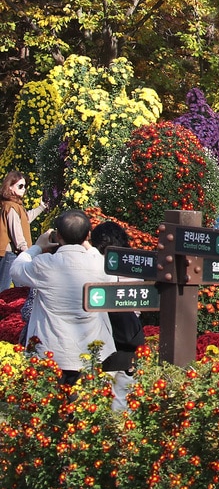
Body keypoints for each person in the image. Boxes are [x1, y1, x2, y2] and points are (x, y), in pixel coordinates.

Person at [9, 210, 114, 383]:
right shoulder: (98, 264)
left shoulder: (45, 264)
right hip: (91, 355)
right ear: (88, 235)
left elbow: (16, 270)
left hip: (51, 354)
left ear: (58, 236)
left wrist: (37, 246)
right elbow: (107, 270)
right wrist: (86, 244)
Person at [89, 221, 144, 411]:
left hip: (103, 339)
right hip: (129, 338)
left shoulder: (95, 266)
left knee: (97, 400)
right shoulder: (134, 266)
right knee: (122, 401)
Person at [0, 171, 46, 293]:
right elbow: (16, 231)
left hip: (14, 253)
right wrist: (26, 250)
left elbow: (25, 220)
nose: (23, 189)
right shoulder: (11, 206)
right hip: (11, 254)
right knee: (4, 289)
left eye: (25, 186)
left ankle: (19, 310)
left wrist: (41, 207)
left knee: (22, 289)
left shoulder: (15, 205)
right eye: (20, 186)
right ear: (10, 187)